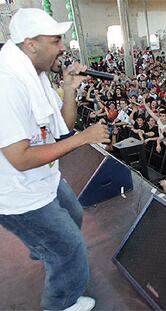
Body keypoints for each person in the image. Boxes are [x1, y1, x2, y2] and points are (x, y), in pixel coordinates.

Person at [0, 8, 110, 311]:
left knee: (72, 214)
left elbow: (63, 127)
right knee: (70, 251)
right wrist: (84, 139)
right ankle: (60, 305)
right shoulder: (7, 83)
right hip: (16, 193)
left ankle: (45, 246)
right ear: (31, 43)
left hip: (42, 179)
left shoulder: (35, 73)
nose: (62, 47)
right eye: (56, 40)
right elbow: (20, 158)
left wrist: (70, 89)